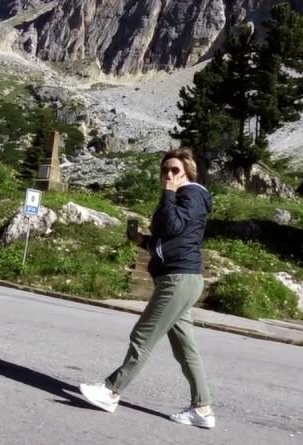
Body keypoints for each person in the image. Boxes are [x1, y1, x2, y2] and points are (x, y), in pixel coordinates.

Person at [79, 148, 216, 429]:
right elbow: (171, 238)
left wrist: (168, 193)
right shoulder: (188, 197)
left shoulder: (190, 194)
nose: (168, 175)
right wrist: (141, 240)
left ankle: (111, 391)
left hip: (178, 279)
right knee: (185, 348)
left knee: (142, 336)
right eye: (165, 170)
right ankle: (202, 409)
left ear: (188, 172)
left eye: (175, 170)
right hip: (182, 277)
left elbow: (172, 225)